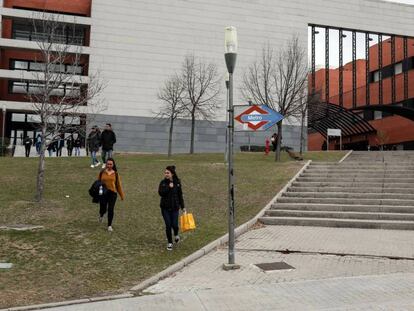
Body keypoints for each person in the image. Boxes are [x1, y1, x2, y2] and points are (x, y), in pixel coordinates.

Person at [158, 165, 185, 251]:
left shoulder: (177, 182)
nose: (166, 174)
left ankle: (176, 234)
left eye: (168, 173)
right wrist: (168, 187)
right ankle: (170, 242)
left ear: (172, 174)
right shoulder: (163, 183)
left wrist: (183, 206)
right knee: (168, 225)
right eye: (165, 173)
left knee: (175, 225)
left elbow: (180, 195)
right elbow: (161, 193)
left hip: (175, 208)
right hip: (165, 208)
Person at [98, 158, 125, 232]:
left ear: (113, 165)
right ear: (106, 164)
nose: (109, 165)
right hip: (103, 193)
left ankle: (109, 225)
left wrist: (121, 195)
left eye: (111, 164)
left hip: (112, 193)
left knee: (111, 209)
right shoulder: (102, 172)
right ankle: (101, 214)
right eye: (108, 164)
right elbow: (98, 182)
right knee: (103, 208)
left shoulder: (115, 174)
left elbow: (118, 185)